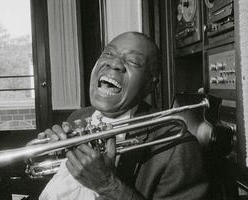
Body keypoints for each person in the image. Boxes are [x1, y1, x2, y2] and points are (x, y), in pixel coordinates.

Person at [37, 32, 209, 200]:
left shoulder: (178, 146)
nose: (114, 63)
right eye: (108, 53)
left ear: (150, 84)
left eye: (133, 61)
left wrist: (108, 186)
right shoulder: (78, 117)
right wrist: (49, 155)